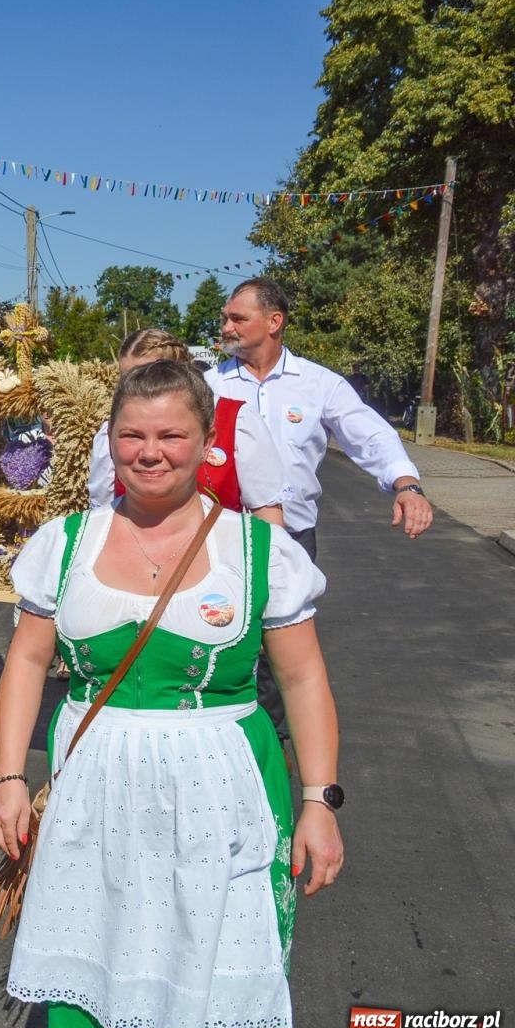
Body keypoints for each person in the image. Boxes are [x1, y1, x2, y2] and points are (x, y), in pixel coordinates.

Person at [0, 360, 345, 1028]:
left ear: (208, 442)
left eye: (171, 436)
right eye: (132, 435)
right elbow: (27, 661)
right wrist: (8, 778)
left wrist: (319, 803)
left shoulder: (258, 551)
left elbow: (304, 680)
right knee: (105, 966)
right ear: (111, 440)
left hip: (223, 794)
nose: (150, 452)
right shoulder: (65, 543)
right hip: (96, 793)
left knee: (217, 976)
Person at [209, 278, 432, 737]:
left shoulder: (318, 384)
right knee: (220, 637)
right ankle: (224, 737)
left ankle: (272, 745)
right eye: (226, 318)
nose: (226, 326)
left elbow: (370, 434)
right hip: (220, 539)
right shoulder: (207, 386)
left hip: (291, 539)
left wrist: (407, 485)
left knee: (281, 646)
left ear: (274, 322)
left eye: (237, 318)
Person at [88, 328, 285, 524]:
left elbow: (267, 514)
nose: (139, 386)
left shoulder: (237, 420)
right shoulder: (114, 432)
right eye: (127, 378)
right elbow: (102, 514)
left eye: (153, 375)